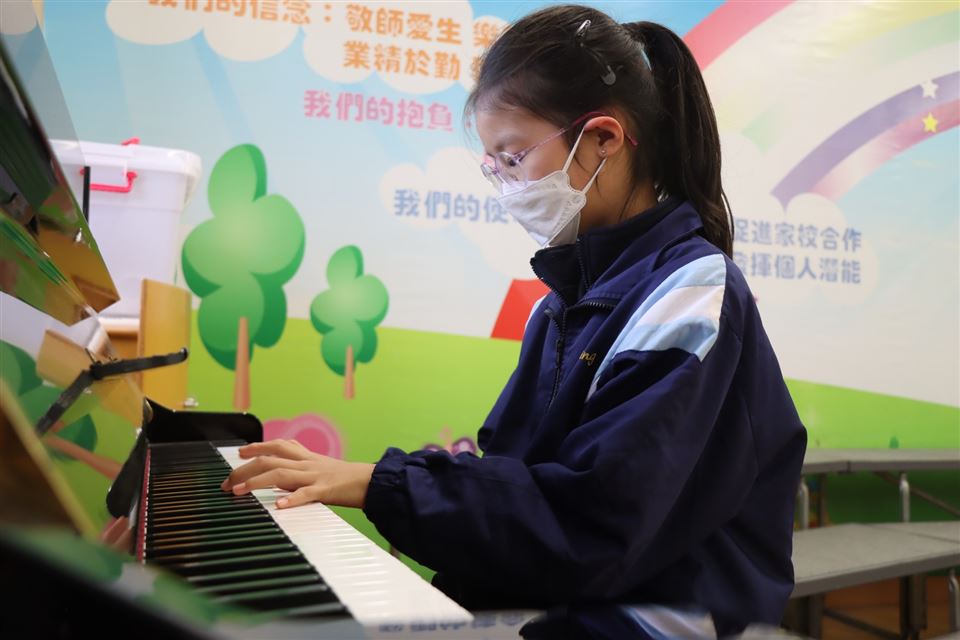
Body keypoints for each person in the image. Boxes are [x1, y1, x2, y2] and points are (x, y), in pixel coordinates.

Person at [221, 5, 807, 636]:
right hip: (571, 591)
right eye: (494, 166)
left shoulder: (691, 293)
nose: (506, 186)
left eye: (513, 157)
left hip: (657, 615)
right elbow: (519, 479)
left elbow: (592, 522)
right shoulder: (560, 306)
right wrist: (386, 492)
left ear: (604, 139)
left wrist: (379, 485)